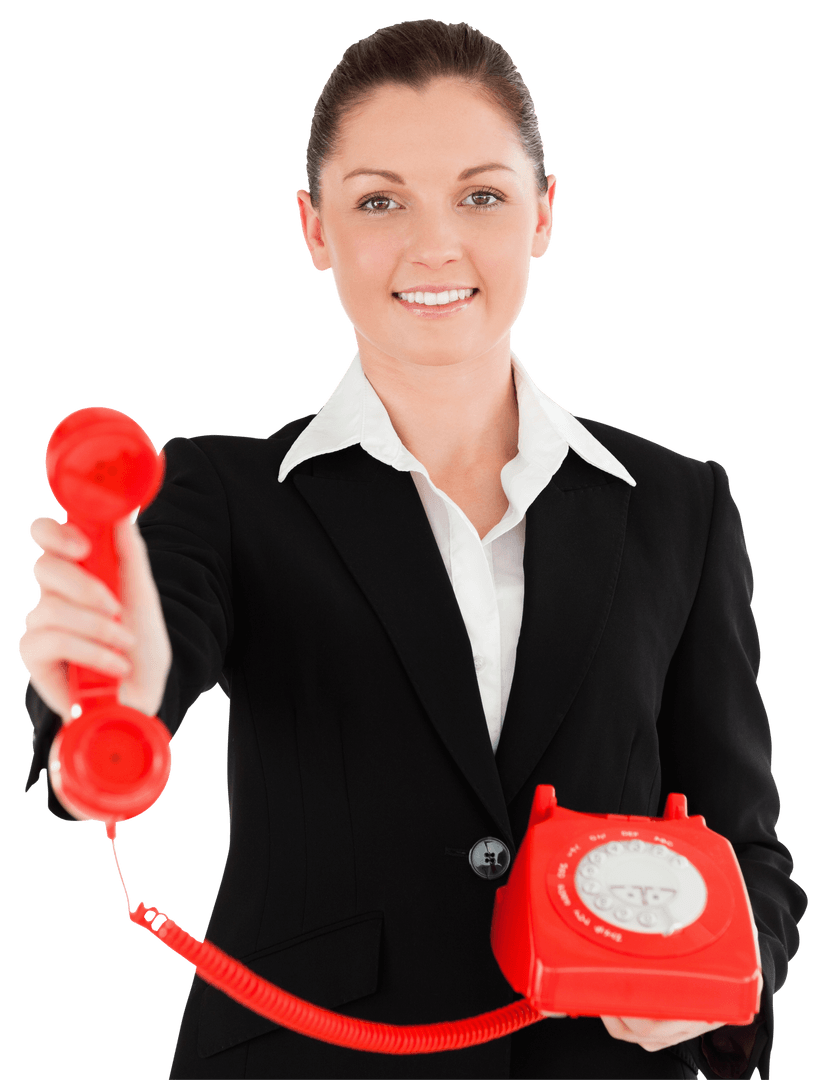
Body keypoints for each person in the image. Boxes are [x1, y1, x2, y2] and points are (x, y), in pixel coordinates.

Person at [19, 18, 807, 1080]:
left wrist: (707, 995)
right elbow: (134, 676)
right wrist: (112, 693)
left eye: (479, 195)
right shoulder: (222, 489)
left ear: (542, 214)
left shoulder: (678, 505)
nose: (433, 245)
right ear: (314, 228)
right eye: (379, 200)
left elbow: (747, 853)